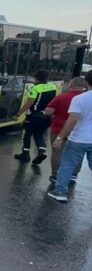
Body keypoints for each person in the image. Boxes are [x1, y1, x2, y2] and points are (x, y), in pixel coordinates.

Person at [48, 70, 92, 202]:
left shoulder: (79, 99)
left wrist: (60, 137)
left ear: (86, 82)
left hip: (78, 139)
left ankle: (60, 192)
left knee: (67, 165)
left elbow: (72, 120)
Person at [44, 76, 87, 182]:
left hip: (59, 129)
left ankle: (55, 175)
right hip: (79, 132)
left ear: (71, 85)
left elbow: (48, 111)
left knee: (57, 152)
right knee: (77, 153)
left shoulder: (61, 97)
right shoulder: (87, 99)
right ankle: (73, 174)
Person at [14, 69, 56, 164]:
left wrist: (18, 114)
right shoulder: (52, 87)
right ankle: (41, 151)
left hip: (34, 116)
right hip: (47, 115)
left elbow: (29, 103)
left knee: (26, 133)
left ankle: (25, 154)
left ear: (36, 78)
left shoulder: (35, 89)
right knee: (39, 134)